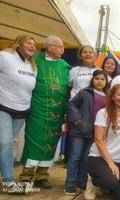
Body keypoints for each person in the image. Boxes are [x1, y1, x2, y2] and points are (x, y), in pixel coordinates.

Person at [19, 35, 70, 188]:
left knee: (51, 143)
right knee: (34, 141)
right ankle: (26, 176)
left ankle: (42, 176)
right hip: (38, 110)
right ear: (49, 47)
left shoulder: (65, 65)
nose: (63, 50)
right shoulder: (35, 60)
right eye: (60, 46)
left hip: (57, 112)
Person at [0, 35, 37, 194]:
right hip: (3, 106)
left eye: (34, 44)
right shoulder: (6, 57)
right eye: (29, 43)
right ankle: (9, 182)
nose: (33, 46)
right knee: (5, 144)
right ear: (19, 44)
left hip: (22, 110)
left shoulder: (32, 66)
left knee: (3, 146)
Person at [64, 70, 108, 195]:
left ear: (106, 82)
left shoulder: (107, 96)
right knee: (75, 157)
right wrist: (77, 119)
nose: (99, 81)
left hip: (95, 132)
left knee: (85, 158)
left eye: (102, 79)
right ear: (92, 80)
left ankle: (81, 182)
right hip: (80, 130)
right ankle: (70, 184)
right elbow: (71, 104)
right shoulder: (85, 92)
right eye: (97, 78)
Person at [86, 84, 120, 200]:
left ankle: (107, 184)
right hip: (99, 157)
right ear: (112, 96)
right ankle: (93, 182)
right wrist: (111, 163)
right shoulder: (103, 113)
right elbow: (98, 139)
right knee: (111, 182)